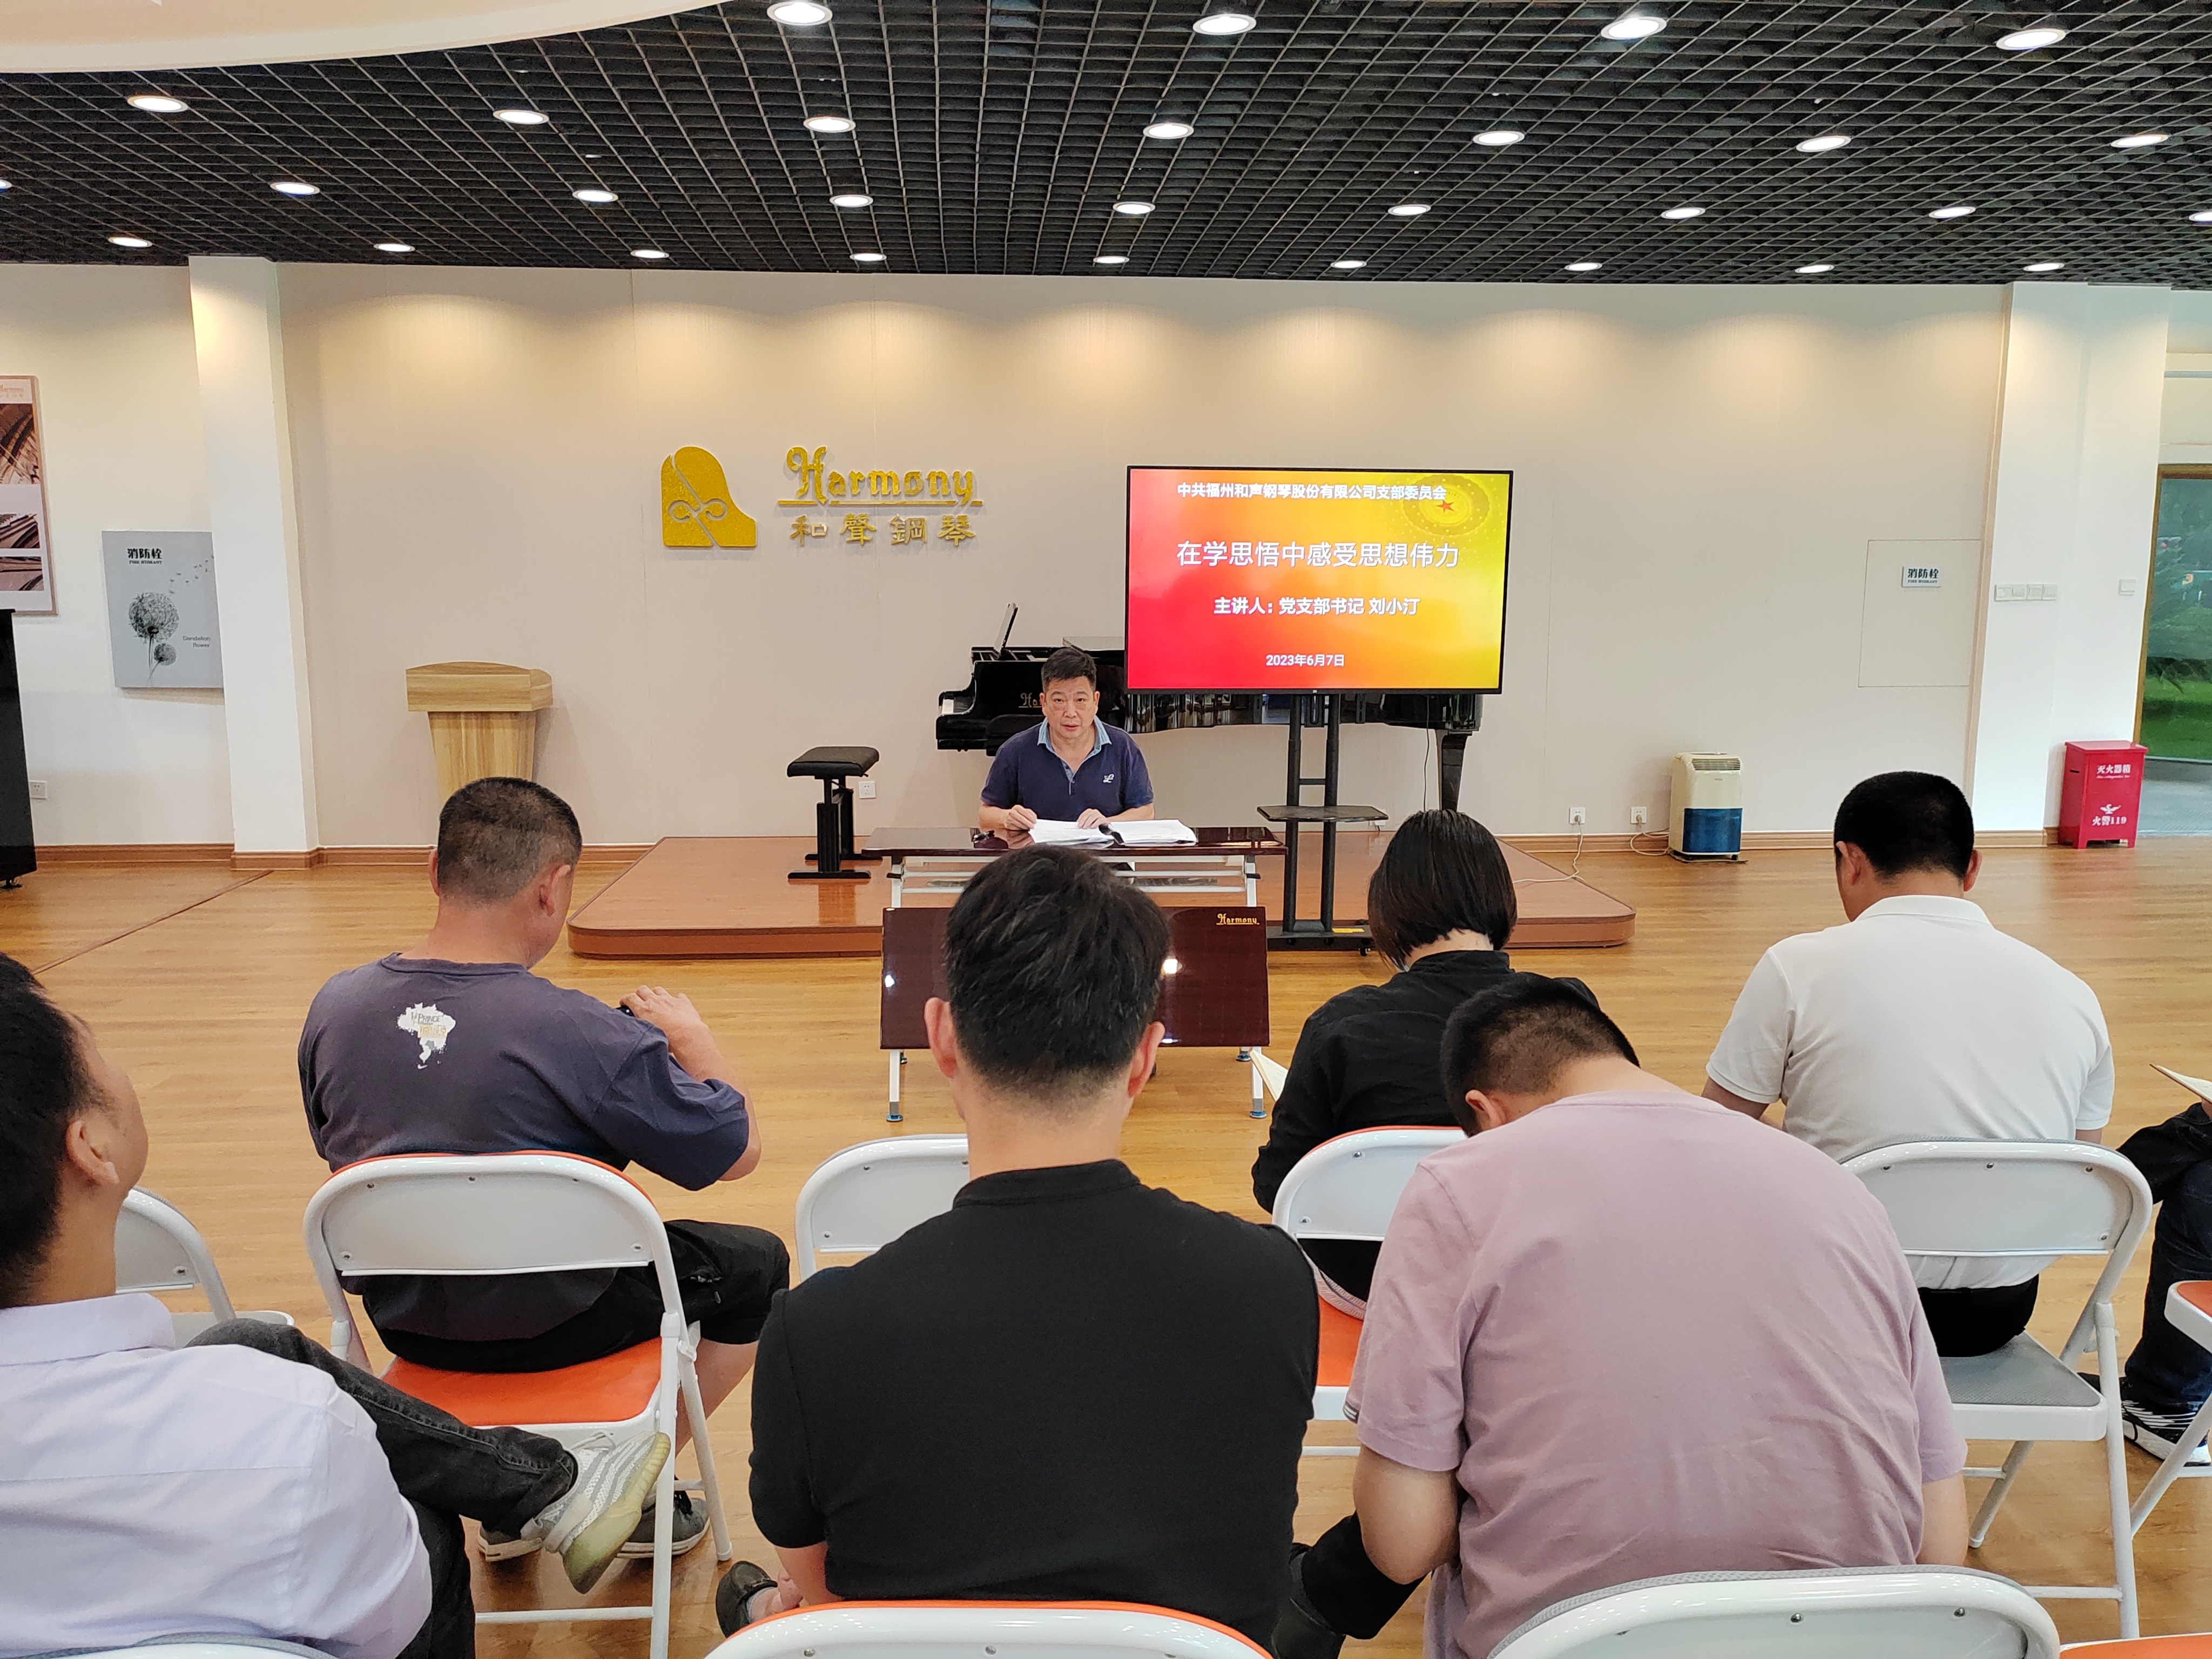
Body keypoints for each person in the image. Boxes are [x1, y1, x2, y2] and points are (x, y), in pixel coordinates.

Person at [715, 846, 1316, 1643]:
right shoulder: (1271, 1281)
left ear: (942, 1037)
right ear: (1144, 1057)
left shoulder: (816, 1329)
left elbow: (826, 1588)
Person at [0, 955, 669, 1659]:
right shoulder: (295, 1429)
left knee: (253, 1340)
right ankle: (547, 1487)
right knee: (419, 1511)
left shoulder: (341, 1008)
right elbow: (390, 1624)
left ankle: (549, 1488)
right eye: (96, 1047)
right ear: (90, 1148)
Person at [1280, 976, 1966, 1659]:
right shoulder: (1838, 1187)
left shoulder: (1456, 1185)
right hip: (1854, 1640)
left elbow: (1402, 1546)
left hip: (1562, 1642)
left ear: (1484, 1111)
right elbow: (1939, 1544)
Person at [299, 775, 786, 1561]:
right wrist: (696, 1043)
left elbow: (340, 1147)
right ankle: (622, 1483)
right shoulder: (584, 1032)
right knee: (757, 1265)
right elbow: (738, 1153)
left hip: (410, 1320)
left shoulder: (334, 1009)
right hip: (563, 1322)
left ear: (434, 871)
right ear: (552, 888)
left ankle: (508, 1481)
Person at [1703, 769, 2111, 1358]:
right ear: (1972, 868)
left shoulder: (1798, 966)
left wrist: (1809, 1148)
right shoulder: (2072, 993)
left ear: (1850, 861)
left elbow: (1718, 1128)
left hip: (1842, 1300)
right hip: (1996, 1312)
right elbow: (2079, 1163)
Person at [1252, 809, 1599, 1307]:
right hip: (1528, 1284)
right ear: (1501, 899)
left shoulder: (1344, 1026)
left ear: (1388, 908)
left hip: (1372, 1288)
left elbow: (1278, 1185)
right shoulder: (1571, 1011)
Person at [978, 644, 1155, 832]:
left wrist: (1107, 822)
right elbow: (985, 815)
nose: (1070, 713)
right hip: (1039, 851)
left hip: (1103, 850)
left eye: (1080, 700)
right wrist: (1006, 818)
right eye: (1059, 701)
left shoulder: (1123, 747)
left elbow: (1146, 812)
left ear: (1095, 702)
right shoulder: (1015, 750)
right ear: (1044, 703)